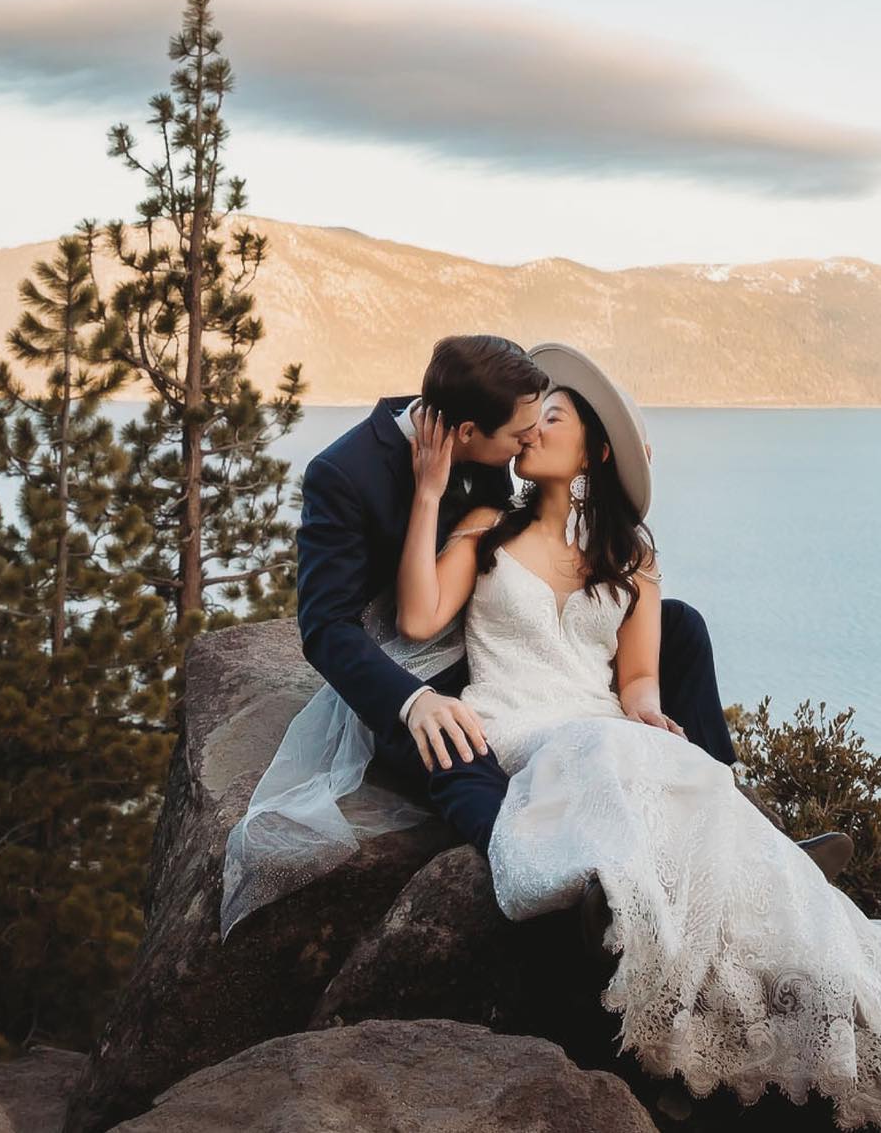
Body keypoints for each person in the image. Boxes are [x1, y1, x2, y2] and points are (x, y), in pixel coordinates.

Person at [395, 343, 881, 1130]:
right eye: (534, 416)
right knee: (609, 763)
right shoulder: (486, 528)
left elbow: (637, 677)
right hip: (519, 722)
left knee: (674, 772)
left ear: (594, 452)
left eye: (555, 416)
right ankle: (661, 909)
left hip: (598, 721)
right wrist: (431, 491)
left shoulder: (630, 555)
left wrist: (650, 711)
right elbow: (417, 617)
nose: (534, 426)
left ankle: (758, 902)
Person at [219, 332, 846, 940]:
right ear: (469, 434)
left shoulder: (502, 443)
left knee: (677, 628)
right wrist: (414, 699)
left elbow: (568, 503)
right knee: (459, 740)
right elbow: (328, 628)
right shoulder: (347, 474)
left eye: (544, 424)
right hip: (424, 671)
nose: (529, 439)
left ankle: (749, 835)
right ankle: (551, 870)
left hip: (535, 658)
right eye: (523, 431)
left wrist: (620, 470)